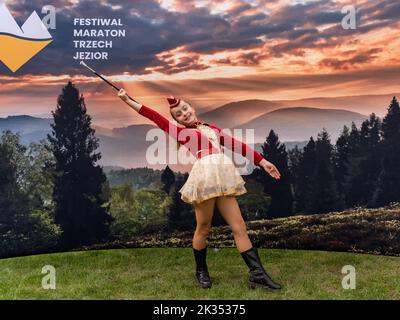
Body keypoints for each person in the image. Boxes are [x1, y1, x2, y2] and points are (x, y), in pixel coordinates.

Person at [118, 89, 282, 291]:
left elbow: (237, 145)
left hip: (222, 179)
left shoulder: (212, 129)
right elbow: (152, 115)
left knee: (239, 227)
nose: (184, 113)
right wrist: (127, 100)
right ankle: (201, 271)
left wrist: (263, 161)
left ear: (192, 107)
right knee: (203, 228)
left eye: (185, 108)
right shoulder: (180, 132)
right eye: (178, 114)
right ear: (177, 121)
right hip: (205, 179)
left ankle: (257, 274)